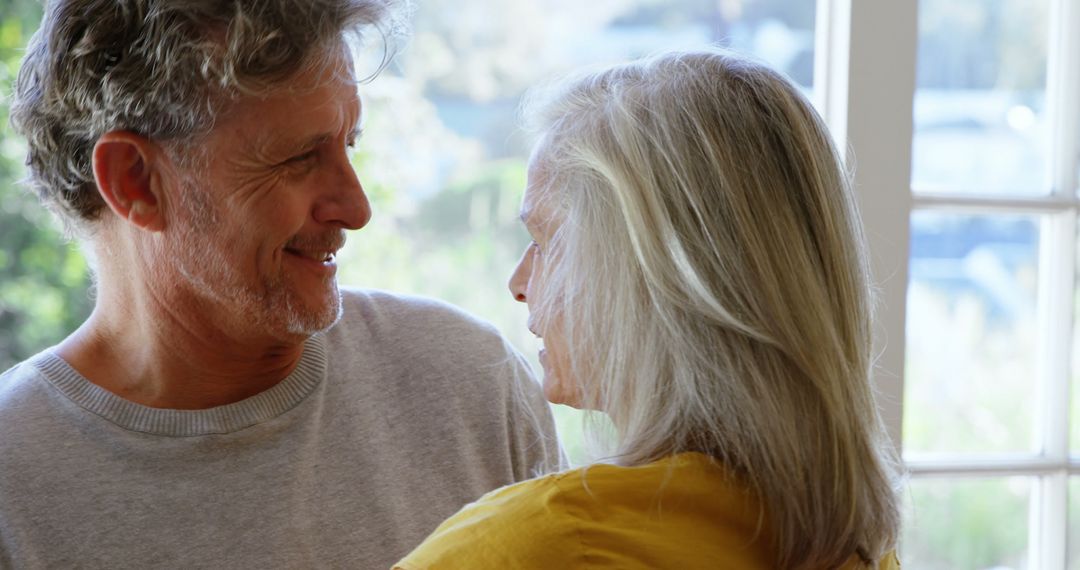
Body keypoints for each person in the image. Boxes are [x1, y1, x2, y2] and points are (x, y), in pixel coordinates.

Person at [0, 1, 561, 568]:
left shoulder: (471, 386)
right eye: (298, 159)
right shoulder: (12, 481)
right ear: (135, 181)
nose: (356, 207)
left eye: (349, 145)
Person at [394, 49, 903, 569]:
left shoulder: (543, 544)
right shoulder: (859, 548)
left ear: (641, 275)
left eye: (544, 240)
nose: (520, 283)